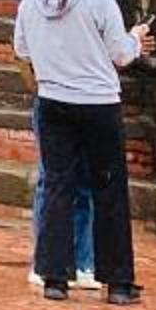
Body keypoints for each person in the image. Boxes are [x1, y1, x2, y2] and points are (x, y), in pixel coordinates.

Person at [12, 0, 153, 306]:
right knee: (108, 189)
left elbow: (22, 48)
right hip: (98, 103)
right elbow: (120, 54)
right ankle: (118, 282)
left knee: (58, 186)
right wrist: (136, 39)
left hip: (53, 99)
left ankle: (55, 276)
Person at [25, 96, 99, 295]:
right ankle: (44, 263)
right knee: (52, 181)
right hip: (53, 100)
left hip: (91, 103)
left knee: (86, 183)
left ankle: (83, 262)